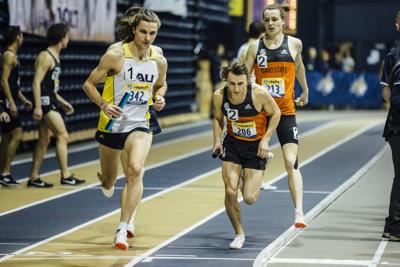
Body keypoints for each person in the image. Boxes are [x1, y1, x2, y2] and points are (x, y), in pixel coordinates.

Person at [82, 8, 167, 251]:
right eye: (143, 32)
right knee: (110, 180)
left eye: (153, 33)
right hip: (112, 125)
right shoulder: (116, 55)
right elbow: (88, 84)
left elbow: (161, 85)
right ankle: (106, 181)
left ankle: (123, 227)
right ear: (133, 30)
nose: (148, 38)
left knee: (135, 170)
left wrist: (159, 97)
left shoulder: (159, 58)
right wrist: (103, 104)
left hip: (139, 123)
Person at [245, 3, 309, 228]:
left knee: (291, 162)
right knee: (249, 197)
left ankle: (299, 213)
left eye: (275, 19)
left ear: (283, 21)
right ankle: (258, 164)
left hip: (286, 113)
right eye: (267, 20)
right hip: (261, 115)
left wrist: (305, 89)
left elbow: (299, 66)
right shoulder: (255, 48)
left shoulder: (294, 44)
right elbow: (243, 79)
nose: (271, 23)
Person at [212, 61, 280, 249]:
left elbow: (276, 113)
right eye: (232, 84)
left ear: (247, 81)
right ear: (227, 80)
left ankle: (263, 163)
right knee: (230, 190)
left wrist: (266, 139)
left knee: (250, 198)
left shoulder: (259, 94)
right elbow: (218, 119)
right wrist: (217, 140)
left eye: (240, 84)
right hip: (232, 144)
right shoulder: (219, 96)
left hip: (254, 148)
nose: (235, 89)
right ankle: (239, 233)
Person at [28, 23, 86, 188]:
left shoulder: (55, 56)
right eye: (67, 36)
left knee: (44, 139)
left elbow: (49, 87)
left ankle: (33, 176)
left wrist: (62, 101)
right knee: (63, 135)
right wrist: (38, 107)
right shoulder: (46, 56)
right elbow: (36, 83)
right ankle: (66, 176)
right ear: (62, 37)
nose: (69, 39)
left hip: (50, 99)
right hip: (45, 103)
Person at [0, 26, 32, 187]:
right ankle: (5, 173)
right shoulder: (9, 56)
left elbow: (13, 85)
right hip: (5, 102)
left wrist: (23, 99)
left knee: (6, 138)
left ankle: (3, 173)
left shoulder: (13, 56)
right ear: (18, 37)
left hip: (8, 99)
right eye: (21, 36)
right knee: (17, 134)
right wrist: (11, 103)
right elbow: (3, 81)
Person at [381, 9, 400, 241]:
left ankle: (391, 225)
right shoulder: (392, 57)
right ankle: (394, 226)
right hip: (397, 124)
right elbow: (387, 93)